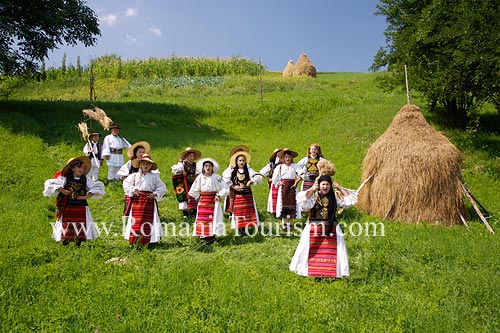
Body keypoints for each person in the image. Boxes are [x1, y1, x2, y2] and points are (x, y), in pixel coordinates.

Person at [289, 172, 357, 279]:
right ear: (319, 185)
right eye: (323, 184)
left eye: (327, 184)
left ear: (330, 185)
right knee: (309, 249)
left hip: (332, 228)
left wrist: (339, 188)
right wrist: (312, 189)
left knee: (333, 250)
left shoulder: (335, 197)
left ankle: (332, 273)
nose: (325, 187)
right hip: (314, 229)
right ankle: (310, 272)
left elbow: (349, 201)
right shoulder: (313, 196)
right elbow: (302, 200)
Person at [43, 156, 105, 244]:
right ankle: (66, 240)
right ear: (72, 168)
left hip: (81, 206)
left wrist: (86, 197)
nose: (81, 170)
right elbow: (51, 184)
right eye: (79, 167)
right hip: (68, 205)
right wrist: (62, 190)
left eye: (83, 168)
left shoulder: (85, 179)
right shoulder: (65, 178)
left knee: (81, 223)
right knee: (67, 222)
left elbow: (96, 187)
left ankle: (79, 241)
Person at [123, 154, 167, 245]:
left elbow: (162, 187)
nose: (146, 166)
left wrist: (155, 193)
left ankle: (151, 240)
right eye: (143, 164)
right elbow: (126, 184)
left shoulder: (155, 176)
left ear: (151, 166)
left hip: (149, 201)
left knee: (149, 220)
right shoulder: (134, 176)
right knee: (136, 220)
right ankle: (135, 240)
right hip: (137, 201)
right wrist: (133, 189)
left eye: (148, 164)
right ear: (140, 165)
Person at [188, 158, 229, 243]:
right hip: (203, 202)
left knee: (213, 218)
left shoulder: (217, 177)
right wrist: (197, 196)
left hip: (213, 201)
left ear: (212, 167)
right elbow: (192, 190)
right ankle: (203, 237)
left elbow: (225, 187)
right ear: (203, 168)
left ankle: (211, 236)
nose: (208, 167)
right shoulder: (200, 177)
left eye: (209, 166)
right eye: (206, 166)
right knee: (202, 219)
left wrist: (219, 195)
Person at [223, 151, 262, 236]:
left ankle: (245, 228)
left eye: (243, 160)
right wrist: (233, 186)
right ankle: (239, 229)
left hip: (247, 195)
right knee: (239, 212)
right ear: (236, 162)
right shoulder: (232, 171)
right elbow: (225, 179)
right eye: (240, 160)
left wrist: (251, 181)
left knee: (247, 212)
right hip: (237, 195)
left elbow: (258, 176)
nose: (242, 162)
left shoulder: (248, 170)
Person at [272, 148, 303, 232]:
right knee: (283, 204)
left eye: (289, 157)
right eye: (286, 157)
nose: (287, 159)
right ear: (283, 158)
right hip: (284, 187)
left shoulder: (295, 166)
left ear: (291, 158)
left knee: (293, 203)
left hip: (292, 187)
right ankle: (284, 224)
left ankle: (291, 224)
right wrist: (278, 183)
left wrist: (296, 182)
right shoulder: (280, 167)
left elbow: (302, 174)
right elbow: (275, 178)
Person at [171, 147, 202, 219]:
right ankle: (185, 213)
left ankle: (194, 211)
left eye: (193, 156)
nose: (192, 158)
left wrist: (196, 177)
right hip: (185, 183)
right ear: (186, 156)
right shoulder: (182, 164)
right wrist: (182, 171)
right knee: (184, 197)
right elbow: (175, 170)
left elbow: (198, 173)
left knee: (194, 196)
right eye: (190, 156)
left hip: (193, 183)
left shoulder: (195, 165)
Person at [222, 145, 250, 214]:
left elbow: (253, 175)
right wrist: (233, 186)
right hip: (234, 189)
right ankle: (232, 214)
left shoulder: (247, 166)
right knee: (233, 201)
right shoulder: (231, 166)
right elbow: (225, 177)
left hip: (245, 189)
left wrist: (250, 182)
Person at [259, 148, 282, 217]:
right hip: (274, 184)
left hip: (283, 184)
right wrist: (269, 178)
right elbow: (261, 173)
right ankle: (274, 213)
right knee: (274, 198)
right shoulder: (271, 165)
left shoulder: (286, 165)